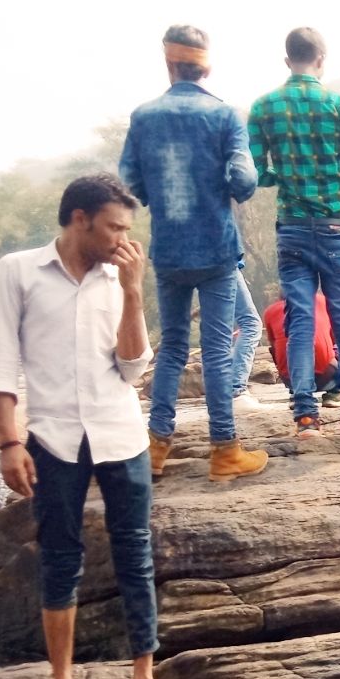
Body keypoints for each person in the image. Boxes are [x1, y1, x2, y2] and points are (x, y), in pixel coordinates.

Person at [0, 174, 191, 679]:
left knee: (136, 556)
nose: (124, 239)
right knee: (59, 557)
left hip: (121, 434)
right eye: (115, 227)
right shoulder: (19, 272)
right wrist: (8, 441)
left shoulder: (117, 276)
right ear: (80, 219)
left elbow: (132, 367)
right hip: (52, 439)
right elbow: (1, 363)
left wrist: (131, 292)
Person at [119, 25, 267, 482]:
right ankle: (224, 451)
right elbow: (244, 180)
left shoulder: (144, 117)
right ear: (206, 65)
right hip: (217, 249)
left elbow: (130, 180)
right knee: (219, 350)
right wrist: (220, 185)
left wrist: (158, 196)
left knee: (174, 348)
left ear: (169, 63)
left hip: (168, 250)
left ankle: (156, 447)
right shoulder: (223, 117)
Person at [249, 27, 340, 439]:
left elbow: (256, 171)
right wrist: (329, 178)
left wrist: (286, 176)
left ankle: (306, 417)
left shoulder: (264, 107)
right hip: (335, 225)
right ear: (321, 59)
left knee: (299, 320)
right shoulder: (339, 104)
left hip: (293, 228)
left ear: (288, 60)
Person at [263, 289, 339, 398]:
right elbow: (335, 338)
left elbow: (274, 347)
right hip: (326, 377)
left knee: (281, 349)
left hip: (291, 380)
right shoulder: (323, 301)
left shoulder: (270, 311)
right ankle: (335, 392)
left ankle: (296, 393)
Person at [230, 268, 265, 414]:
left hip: (176, 261)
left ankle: (221, 398)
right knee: (251, 324)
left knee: (218, 328)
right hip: (222, 257)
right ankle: (236, 391)